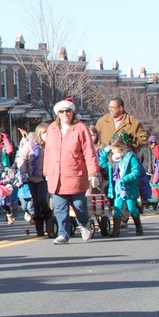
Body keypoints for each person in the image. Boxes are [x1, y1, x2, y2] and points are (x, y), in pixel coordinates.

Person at [43, 98, 100, 244]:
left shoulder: (80, 128)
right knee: (60, 208)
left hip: (75, 174)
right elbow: (48, 152)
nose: (65, 114)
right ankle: (63, 234)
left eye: (68, 111)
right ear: (58, 113)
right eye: (61, 111)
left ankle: (85, 224)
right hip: (56, 176)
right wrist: (46, 172)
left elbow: (89, 152)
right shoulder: (52, 129)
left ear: (72, 112)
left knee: (79, 206)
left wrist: (93, 173)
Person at [98, 133, 142, 236]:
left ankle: (138, 227)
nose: (112, 151)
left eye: (114, 149)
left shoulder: (130, 157)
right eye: (111, 149)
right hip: (117, 189)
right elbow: (102, 162)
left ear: (121, 147)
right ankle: (116, 230)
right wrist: (106, 150)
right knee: (117, 209)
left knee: (131, 208)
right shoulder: (112, 160)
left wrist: (124, 179)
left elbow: (136, 172)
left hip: (128, 188)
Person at [20, 122, 51, 236]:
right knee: (35, 201)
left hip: (44, 177)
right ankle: (39, 227)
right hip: (32, 177)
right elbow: (22, 157)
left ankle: (48, 218)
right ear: (39, 134)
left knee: (42, 198)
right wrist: (23, 172)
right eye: (44, 133)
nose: (46, 136)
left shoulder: (51, 146)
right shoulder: (30, 145)